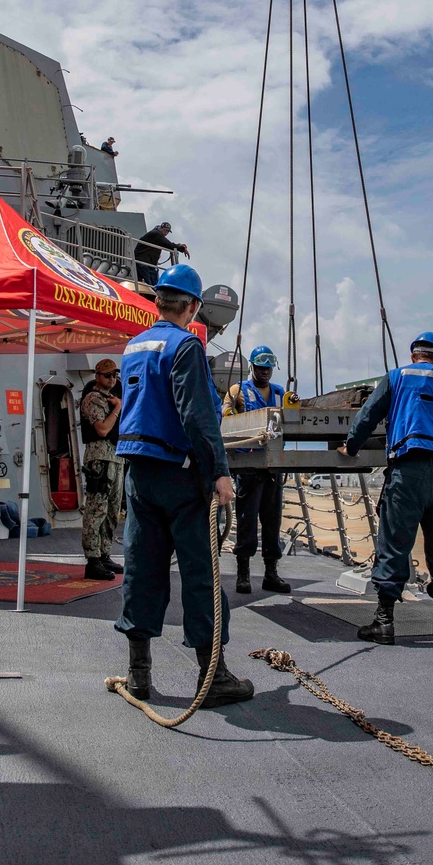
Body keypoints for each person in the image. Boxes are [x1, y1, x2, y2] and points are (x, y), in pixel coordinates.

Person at [114, 263, 253, 707]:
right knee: (200, 575)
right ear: (193, 306)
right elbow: (197, 416)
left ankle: (139, 676)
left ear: (158, 302)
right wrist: (220, 473)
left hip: (139, 477)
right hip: (181, 475)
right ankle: (212, 678)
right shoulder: (186, 346)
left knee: (142, 569)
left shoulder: (134, 347)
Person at [340, 330, 433, 646]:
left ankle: (384, 623)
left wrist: (352, 447)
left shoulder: (397, 377)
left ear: (414, 355)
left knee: (394, 542)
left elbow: (368, 415)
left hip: (406, 470)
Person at [222, 345, 291, 596]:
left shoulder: (280, 392)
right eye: (261, 368)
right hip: (248, 467)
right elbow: (226, 418)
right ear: (252, 367)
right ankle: (243, 574)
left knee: (272, 523)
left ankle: (271, 573)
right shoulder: (238, 391)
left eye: (269, 368)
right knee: (246, 520)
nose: (265, 373)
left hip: (273, 468)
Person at [80, 358, 124, 580]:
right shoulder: (93, 398)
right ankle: (93, 559)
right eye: (108, 375)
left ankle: (105, 553)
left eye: (115, 375)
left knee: (112, 510)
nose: (112, 378)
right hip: (100, 458)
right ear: (97, 377)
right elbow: (102, 429)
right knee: (97, 509)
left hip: (116, 458)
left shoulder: (113, 398)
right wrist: (117, 408)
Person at [134, 221, 189, 288]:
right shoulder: (155, 234)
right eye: (165, 230)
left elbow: (166, 243)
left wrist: (178, 246)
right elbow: (168, 244)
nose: (166, 233)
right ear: (160, 228)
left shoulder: (158, 236)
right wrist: (181, 248)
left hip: (149, 264)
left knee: (154, 285)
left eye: (167, 232)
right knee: (149, 286)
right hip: (142, 262)